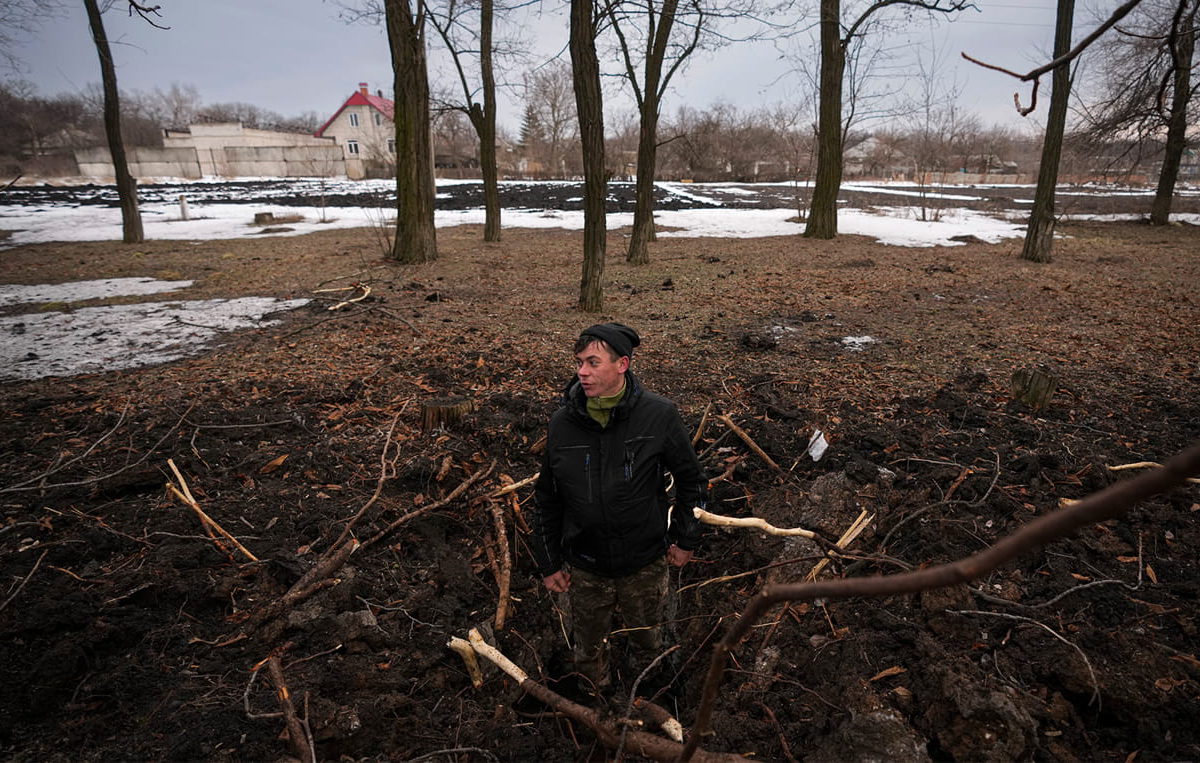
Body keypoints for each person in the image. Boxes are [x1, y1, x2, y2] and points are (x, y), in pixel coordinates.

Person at [532, 322, 706, 695]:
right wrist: (549, 563)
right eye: (580, 362)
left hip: (644, 563)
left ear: (622, 364)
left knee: (649, 644)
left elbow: (692, 481)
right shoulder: (563, 423)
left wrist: (685, 540)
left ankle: (650, 701)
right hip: (584, 565)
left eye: (593, 363)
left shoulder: (659, 416)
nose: (582, 371)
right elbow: (547, 496)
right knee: (587, 651)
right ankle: (597, 705)